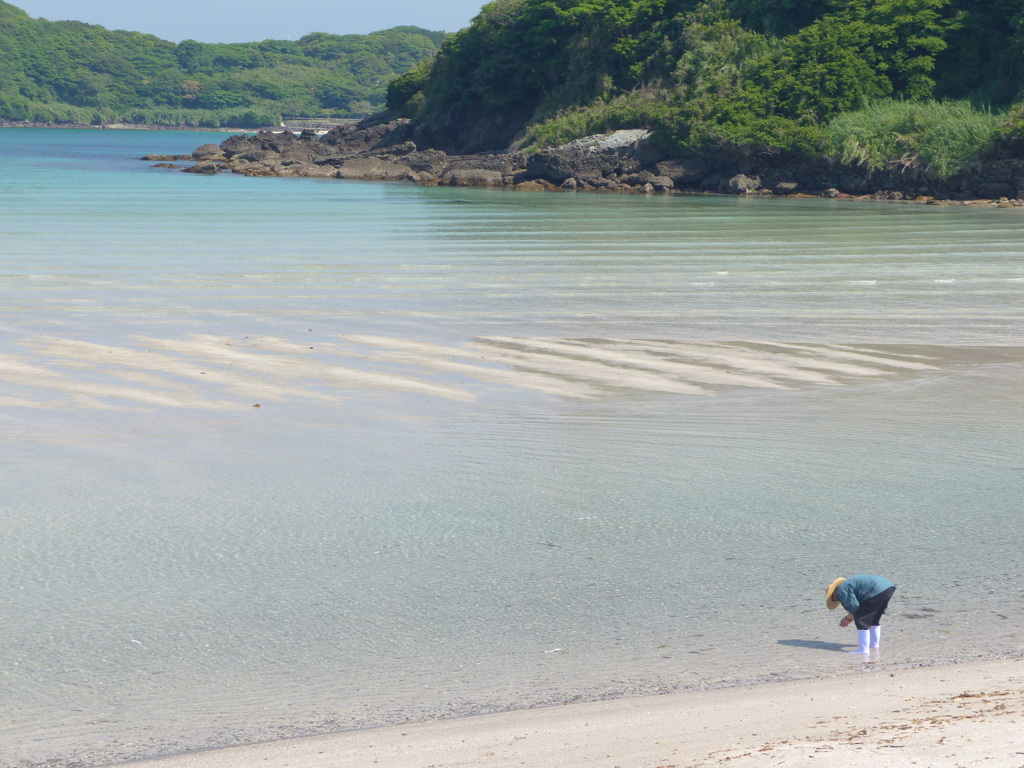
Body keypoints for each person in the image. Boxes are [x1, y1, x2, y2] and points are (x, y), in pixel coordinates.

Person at [826, 574, 896, 654]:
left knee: (861, 620)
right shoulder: (847, 585)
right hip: (888, 587)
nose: (837, 600)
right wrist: (850, 617)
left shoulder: (841, 590)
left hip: (876, 590)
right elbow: (855, 606)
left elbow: (854, 606)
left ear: (834, 593)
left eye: (833, 599)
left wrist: (847, 619)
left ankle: (863, 649)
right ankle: (874, 645)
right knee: (874, 619)